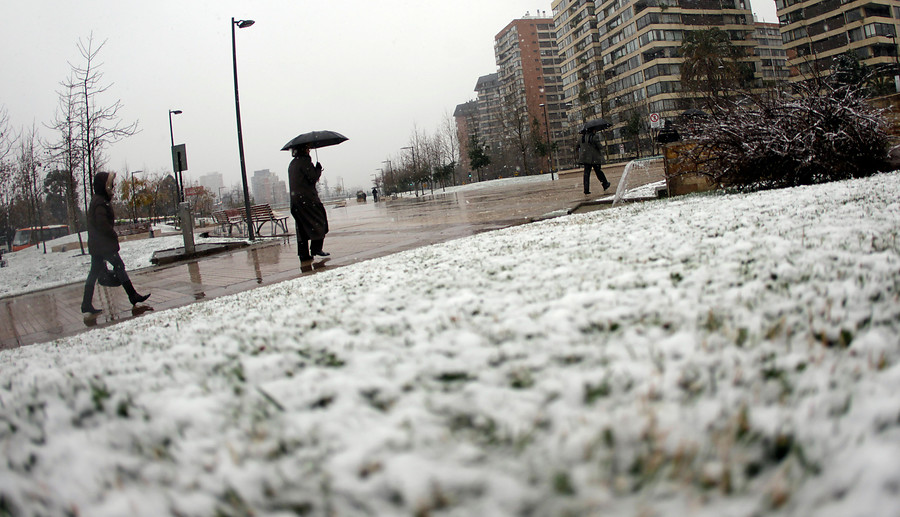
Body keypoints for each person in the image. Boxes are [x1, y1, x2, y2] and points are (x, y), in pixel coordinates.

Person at [81, 172, 150, 314]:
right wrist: (112, 234)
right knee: (119, 266)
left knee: (94, 273)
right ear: (105, 186)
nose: (112, 187)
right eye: (110, 184)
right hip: (104, 245)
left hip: (98, 244)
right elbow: (102, 223)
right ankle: (132, 295)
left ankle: (86, 303)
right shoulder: (100, 202)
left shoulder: (97, 200)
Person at [288, 145, 330, 263]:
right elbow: (312, 178)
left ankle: (303, 254)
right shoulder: (305, 161)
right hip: (308, 199)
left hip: (296, 201)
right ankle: (316, 248)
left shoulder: (292, 164)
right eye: (307, 149)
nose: (309, 151)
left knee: (301, 227)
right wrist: (318, 169)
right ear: (303, 150)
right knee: (320, 221)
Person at [576, 129, 610, 195]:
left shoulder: (581, 138)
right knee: (598, 172)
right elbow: (599, 146)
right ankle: (605, 184)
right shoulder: (594, 137)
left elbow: (577, 146)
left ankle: (586, 189)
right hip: (594, 158)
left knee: (586, 174)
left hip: (585, 159)